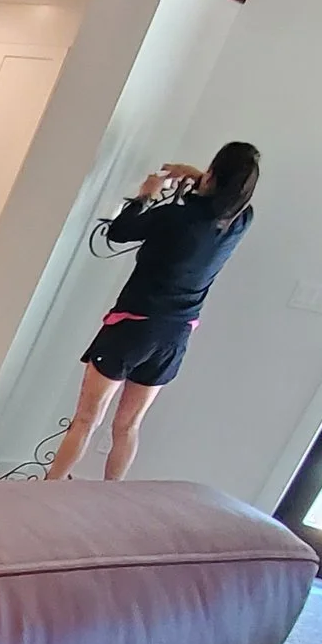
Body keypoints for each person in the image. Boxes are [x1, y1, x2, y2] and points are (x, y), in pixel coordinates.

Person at [46, 141, 260, 479]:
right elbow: (224, 197)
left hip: (131, 328)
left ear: (214, 174)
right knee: (128, 426)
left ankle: (45, 491)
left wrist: (146, 194)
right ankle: (112, 499)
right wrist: (196, 176)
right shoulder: (240, 221)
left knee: (86, 419)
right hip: (174, 337)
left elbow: (117, 232)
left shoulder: (176, 217)